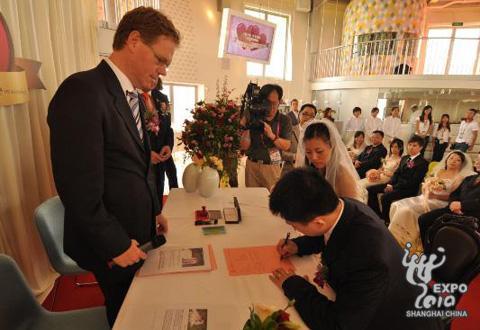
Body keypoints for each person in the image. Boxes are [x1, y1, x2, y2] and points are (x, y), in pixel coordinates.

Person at [47, 7, 179, 326]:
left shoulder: (128, 95)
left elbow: (131, 165)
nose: (163, 71)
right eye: (161, 59)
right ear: (134, 40)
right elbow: (78, 189)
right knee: (128, 317)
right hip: (112, 244)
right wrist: (115, 243)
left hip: (134, 231)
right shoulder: (83, 91)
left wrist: (151, 212)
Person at [268, 168, 443, 330]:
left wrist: (294, 285)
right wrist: (298, 245)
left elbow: (338, 325)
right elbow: (330, 234)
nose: (294, 230)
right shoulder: (342, 206)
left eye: (293, 225)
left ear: (318, 221)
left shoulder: (368, 258)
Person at [389, 151, 474, 253]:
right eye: (451, 158)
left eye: (458, 160)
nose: (453, 161)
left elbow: (452, 197)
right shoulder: (440, 171)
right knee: (396, 205)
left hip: (439, 202)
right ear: (447, 159)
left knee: (407, 210)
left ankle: (408, 241)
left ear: (462, 164)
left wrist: (435, 195)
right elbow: (426, 184)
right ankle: (395, 236)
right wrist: (427, 189)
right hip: (425, 197)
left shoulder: (459, 178)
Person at [419, 152, 480, 247]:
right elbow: (455, 193)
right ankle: (428, 250)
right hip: (453, 209)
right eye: (477, 160)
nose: (477, 163)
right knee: (423, 219)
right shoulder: (470, 178)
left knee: (444, 228)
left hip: (472, 215)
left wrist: (462, 205)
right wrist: (453, 203)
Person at [296, 119, 366, 202]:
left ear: (332, 147)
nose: (314, 157)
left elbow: (352, 210)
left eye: (319, 151)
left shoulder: (341, 174)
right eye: (308, 152)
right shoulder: (308, 169)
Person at [240, 84, 292, 191]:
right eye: (268, 103)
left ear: (280, 101)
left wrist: (272, 136)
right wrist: (246, 127)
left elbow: (287, 146)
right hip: (252, 165)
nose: (272, 107)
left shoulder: (284, 120)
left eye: (275, 103)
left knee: (271, 202)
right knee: (252, 200)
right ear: (261, 101)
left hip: (272, 167)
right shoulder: (252, 114)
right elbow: (243, 146)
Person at [367, 135, 429, 224]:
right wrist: (390, 184)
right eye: (410, 144)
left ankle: (386, 220)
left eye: (414, 145)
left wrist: (394, 187)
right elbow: (397, 173)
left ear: (421, 147)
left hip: (408, 189)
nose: (411, 147)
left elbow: (413, 182)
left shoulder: (423, 163)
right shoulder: (405, 158)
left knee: (385, 197)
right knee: (370, 189)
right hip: (395, 184)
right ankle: (377, 214)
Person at [143, 79, 178, 209]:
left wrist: (168, 145)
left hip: (164, 152)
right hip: (147, 157)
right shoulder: (131, 97)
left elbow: (168, 128)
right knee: (154, 192)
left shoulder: (162, 98)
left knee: (172, 182)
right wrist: (147, 153)